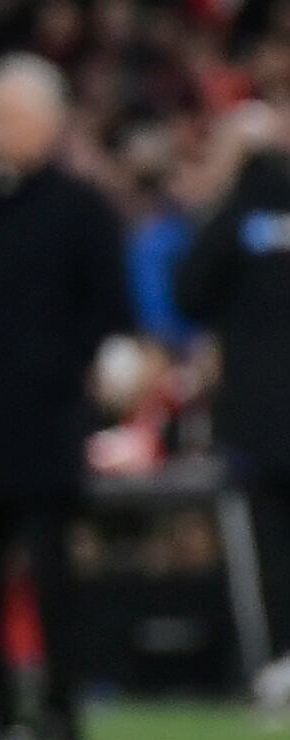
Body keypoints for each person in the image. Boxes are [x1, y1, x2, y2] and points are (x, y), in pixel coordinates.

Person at [0, 55, 134, 740]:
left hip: (45, 422)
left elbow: (110, 312)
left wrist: (70, 380)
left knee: (53, 577)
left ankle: (59, 711)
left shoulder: (82, 210)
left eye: (11, 117)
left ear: (50, 122)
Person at [175, 103, 290, 702]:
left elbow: (187, 293)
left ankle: (276, 665)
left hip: (257, 419)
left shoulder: (237, 214)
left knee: (263, 543)